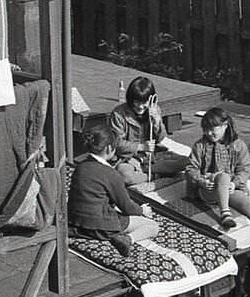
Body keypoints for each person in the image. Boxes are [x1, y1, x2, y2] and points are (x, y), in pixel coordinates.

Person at [186, 107, 250, 241]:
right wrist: (200, 180)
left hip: (229, 188)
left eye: (212, 129)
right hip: (208, 189)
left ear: (225, 126)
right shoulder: (200, 146)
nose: (208, 133)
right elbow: (191, 168)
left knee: (248, 205)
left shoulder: (238, 145)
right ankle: (225, 214)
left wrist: (235, 183)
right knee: (223, 176)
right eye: (205, 129)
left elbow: (245, 168)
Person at [69, 123, 159, 255]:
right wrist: (142, 210)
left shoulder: (80, 167)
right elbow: (127, 207)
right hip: (100, 225)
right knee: (152, 226)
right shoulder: (111, 174)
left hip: (76, 222)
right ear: (109, 148)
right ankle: (127, 239)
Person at [108, 76, 184, 185]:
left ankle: (148, 171)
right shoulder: (118, 113)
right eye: (137, 102)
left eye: (144, 103)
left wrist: (157, 121)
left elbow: (162, 138)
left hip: (153, 156)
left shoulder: (154, 109)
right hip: (130, 158)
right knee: (125, 177)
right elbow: (116, 143)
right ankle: (156, 174)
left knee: (187, 162)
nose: (141, 106)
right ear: (131, 99)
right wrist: (141, 147)